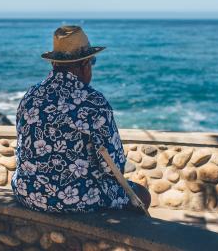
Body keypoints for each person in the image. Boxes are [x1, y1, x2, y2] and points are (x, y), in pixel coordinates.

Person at [11, 25, 151, 213]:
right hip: (75, 201)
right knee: (142, 195)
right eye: (92, 62)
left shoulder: (31, 96)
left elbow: (21, 148)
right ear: (84, 65)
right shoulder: (93, 102)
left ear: (54, 63)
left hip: (27, 193)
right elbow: (114, 166)